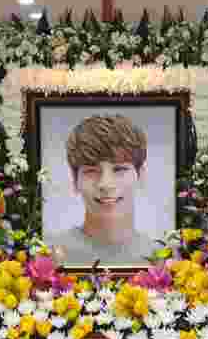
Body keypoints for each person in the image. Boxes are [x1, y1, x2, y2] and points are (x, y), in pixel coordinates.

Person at [45, 114, 156, 266]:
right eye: (91, 171)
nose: (105, 184)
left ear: (140, 175)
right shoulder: (49, 256)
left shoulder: (161, 258)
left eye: (119, 169)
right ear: (74, 179)